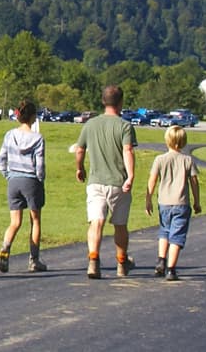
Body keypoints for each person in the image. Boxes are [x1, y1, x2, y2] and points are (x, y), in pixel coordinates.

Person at [74, 85, 138, 279]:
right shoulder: (125, 126)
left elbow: (79, 150)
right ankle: (121, 262)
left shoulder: (90, 124)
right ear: (120, 102)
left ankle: (93, 261)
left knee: (96, 222)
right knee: (120, 224)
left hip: (96, 182)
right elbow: (128, 150)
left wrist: (80, 167)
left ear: (103, 101)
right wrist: (130, 176)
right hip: (118, 182)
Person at [144, 125, 203, 281]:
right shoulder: (187, 160)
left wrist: (148, 199)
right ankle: (171, 269)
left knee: (164, 231)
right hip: (181, 203)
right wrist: (197, 202)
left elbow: (152, 180)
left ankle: (161, 260)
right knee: (177, 236)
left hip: (164, 202)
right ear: (183, 142)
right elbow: (194, 183)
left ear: (167, 141)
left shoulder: (160, 159)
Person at [0, 100, 48, 273]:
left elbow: (1, 160)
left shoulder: (9, 135)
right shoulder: (38, 138)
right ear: (33, 117)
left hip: (14, 181)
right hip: (31, 181)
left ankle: (5, 248)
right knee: (35, 220)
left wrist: (8, 175)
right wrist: (40, 180)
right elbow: (39, 165)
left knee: (15, 222)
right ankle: (34, 260)